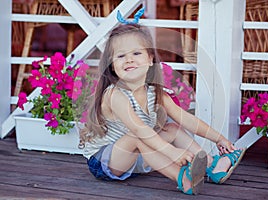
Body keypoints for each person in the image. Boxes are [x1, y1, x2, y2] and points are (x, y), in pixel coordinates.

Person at [80, 23, 245, 195]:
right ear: (112, 65)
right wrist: (172, 152)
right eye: (121, 56)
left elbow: (188, 120)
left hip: (137, 156)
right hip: (107, 162)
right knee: (137, 136)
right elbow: (139, 129)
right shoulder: (114, 95)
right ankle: (183, 179)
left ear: (150, 59)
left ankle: (213, 166)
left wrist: (219, 139)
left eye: (136, 53)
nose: (129, 59)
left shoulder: (156, 94)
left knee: (172, 128)